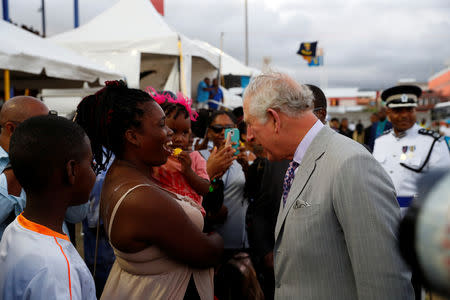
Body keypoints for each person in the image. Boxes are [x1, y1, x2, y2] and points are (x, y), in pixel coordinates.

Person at [243, 72, 414, 299]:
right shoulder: (298, 162)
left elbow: (385, 284)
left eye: (250, 125)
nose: (248, 137)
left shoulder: (351, 164)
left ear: (275, 119)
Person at [75, 81, 223, 300]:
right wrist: (216, 238)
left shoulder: (122, 175)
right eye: (162, 125)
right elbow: (207, 253)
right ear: (132, 136)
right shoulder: (141, 197)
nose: (170, 132)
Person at [0, 115, 96, 299]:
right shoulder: (56, 269)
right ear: (72, 170)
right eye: (91, 164)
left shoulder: (17, 228)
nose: (94, 173)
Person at [0, 96, 88, 239]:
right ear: (12, 128)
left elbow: (77, 215)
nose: (49, 132)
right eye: (41, 126)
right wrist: (15, 171)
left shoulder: (51, 158)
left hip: (55, 251)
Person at [150, 90, 210, 216]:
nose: (179, 138)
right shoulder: (157, 157)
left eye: (185, 133)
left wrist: (188, 171)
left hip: (192, 216)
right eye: (173, 131)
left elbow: (206, 189)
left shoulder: (195, 157)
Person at [199, 111, 249, 259]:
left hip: (238, 242)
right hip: (208, 239)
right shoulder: (199, 157)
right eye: (217, 129)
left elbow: (252, 194)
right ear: (209, 132)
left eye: (228, 129)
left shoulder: (244, 158)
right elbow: (196, 190)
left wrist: (246, 167)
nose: (223, 133)